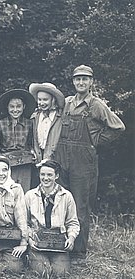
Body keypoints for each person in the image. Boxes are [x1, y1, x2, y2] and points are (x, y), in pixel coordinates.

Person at [54, 65, 125, 260]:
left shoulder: (96, 105)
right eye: (78, 79)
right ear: (73, 82)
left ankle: (78, 252)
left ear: (91, 81)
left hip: (83, 163)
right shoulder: (66, 102)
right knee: (60, 203)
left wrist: (96, 141)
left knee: (80, 207)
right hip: (62, 159)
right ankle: (59, 248)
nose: (81, 82)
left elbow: (118, 127)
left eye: (85, 79)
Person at [26, 160, 80, 275]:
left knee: (61, 273)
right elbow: (24, 222)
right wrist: (30, 239)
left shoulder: (66, 196)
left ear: (57, 176)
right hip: (37, 243)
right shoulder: (30, 195)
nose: (46, 178)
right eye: (42, 174)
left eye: (49, 175)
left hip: (58, 243)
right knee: (43, 272)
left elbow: (73, 222)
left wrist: (71, 238)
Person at [0, 89, 36, 192]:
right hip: (7, 163)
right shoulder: (0, 124)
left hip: (25, 164)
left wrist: (32, 152)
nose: (15, 110)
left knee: (24, 190)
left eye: (18, 106)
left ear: (24, 107)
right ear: (7, 108)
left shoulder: (29, 123)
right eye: (12, 107)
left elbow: (31, 143)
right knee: (8, 190)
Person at [29, 83, 65, 164]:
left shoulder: (60, 117)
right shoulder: (35, 116)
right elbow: (32, 139)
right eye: (39, 99)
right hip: (38, 159)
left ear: (53, 100)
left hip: (55, 159)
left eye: (45, 100)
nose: (41, 103)